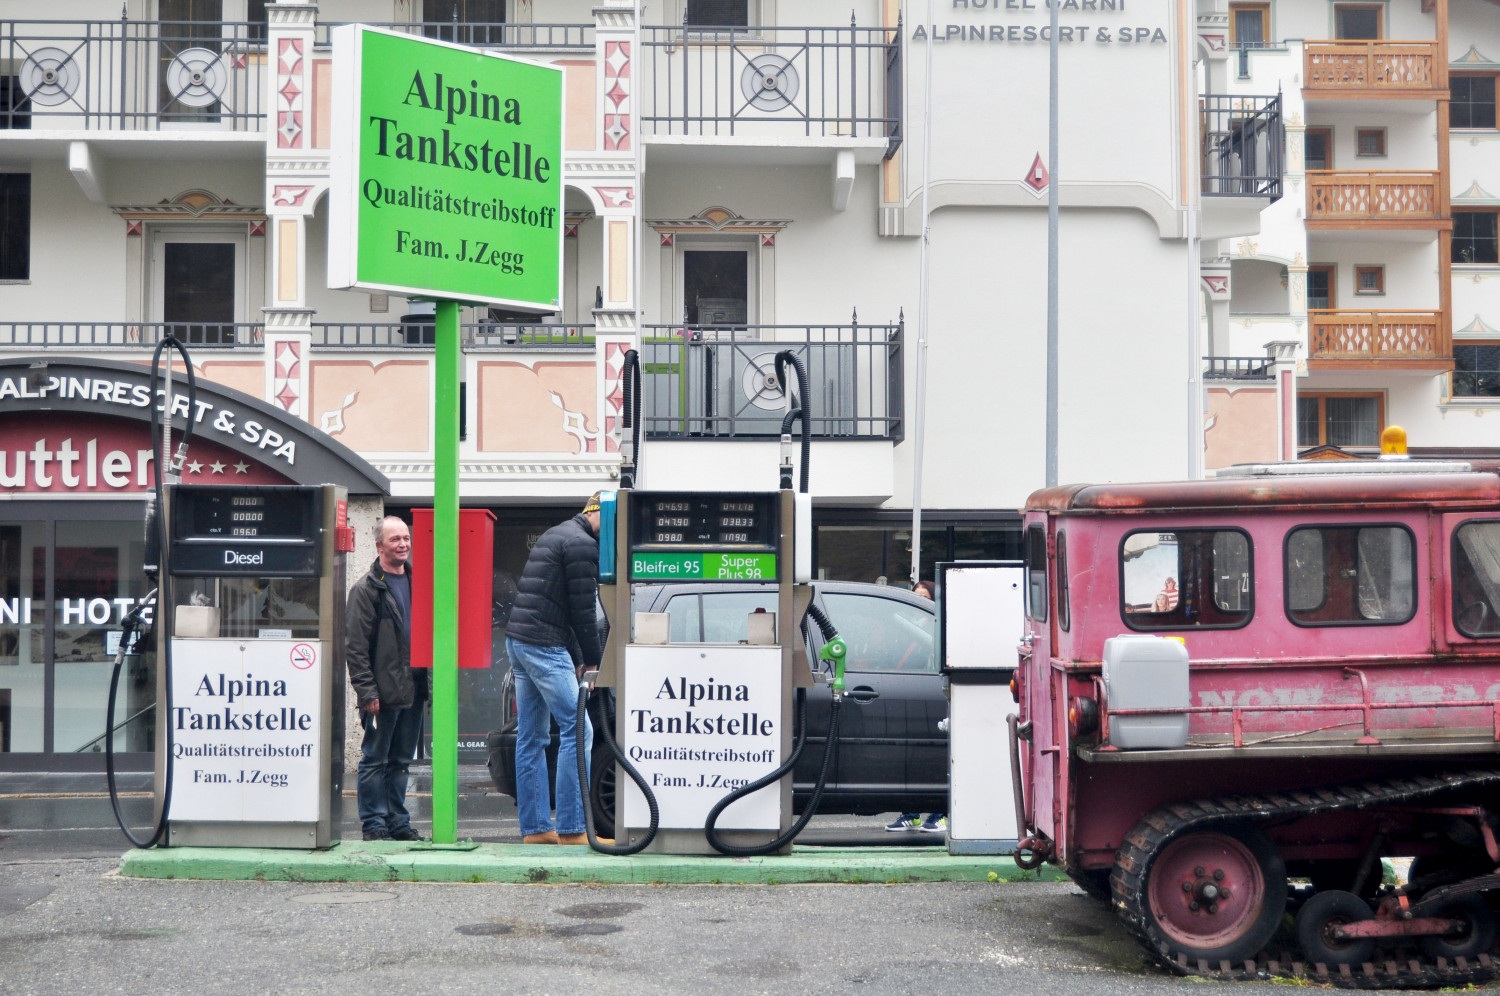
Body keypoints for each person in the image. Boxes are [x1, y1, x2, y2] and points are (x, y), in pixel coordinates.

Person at [506, 492, 610, 845]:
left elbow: (562, 604)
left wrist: (578, 656)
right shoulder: (583, 545)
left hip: (520, 641)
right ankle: (573, 828)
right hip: (544, 645)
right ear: (602, 515)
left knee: (532, 736)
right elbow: (583, 612)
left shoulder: (558, 533)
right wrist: (594, 661)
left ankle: (535, 829)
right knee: (578, 728)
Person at [345, 515, 428, 842]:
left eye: (406, 538)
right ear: (379, 546)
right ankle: (375, 825)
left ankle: (398, 823)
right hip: (381, 693)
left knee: (401, 762)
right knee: (376, 760)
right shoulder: (366, 589)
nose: (403, 544)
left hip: (415, 688)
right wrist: (367, 692)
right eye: (395, 539)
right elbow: (356, 647)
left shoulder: (418, 582)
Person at [886, 579, 947, 835]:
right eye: (916, 596)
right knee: (911, 758)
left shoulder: (937, 627)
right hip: (910, 695)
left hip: (930, 695)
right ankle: (910, 814)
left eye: (925, 597)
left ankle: (939, 814)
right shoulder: (906, 627)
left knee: (934, 755)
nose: (920, 601)